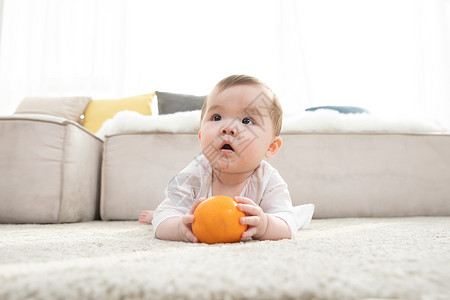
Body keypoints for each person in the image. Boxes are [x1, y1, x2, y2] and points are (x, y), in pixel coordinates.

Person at [140, 74, 312, 242]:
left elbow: (288, 223)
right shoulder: (195, 172)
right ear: (201, 137)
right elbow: (164, 216)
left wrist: (265, 224)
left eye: (247, 121)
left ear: (270, 147)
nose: (228, 128)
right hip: (195, 215)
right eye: (217, 117)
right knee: (170, 211)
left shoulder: (268, 179)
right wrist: (178, 227)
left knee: (297, 215)